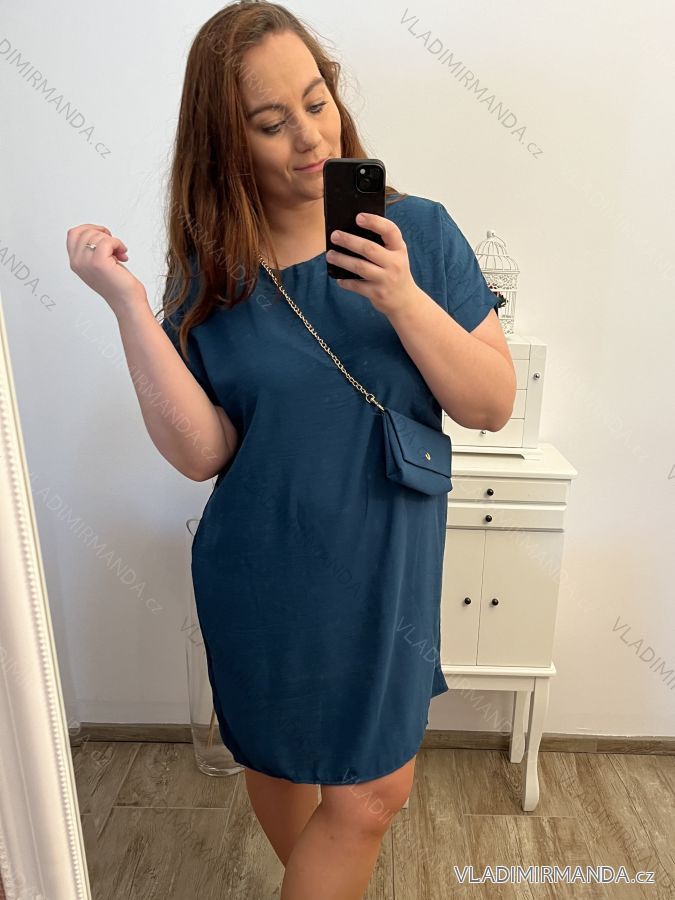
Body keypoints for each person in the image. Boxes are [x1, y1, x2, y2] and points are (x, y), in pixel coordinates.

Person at [66, 2, 516, 897]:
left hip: (386, 567)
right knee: (280, 762)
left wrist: (400, 297)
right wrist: (126, 304)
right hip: (263, 571)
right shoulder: (212, 273)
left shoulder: (418, 233)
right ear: (225, 141)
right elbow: (203, 452)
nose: (311, 136)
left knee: (373, 793)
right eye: (271, 123)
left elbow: (490, 404)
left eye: (317, 102)